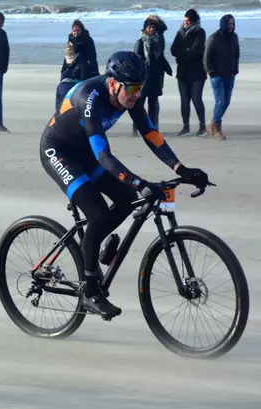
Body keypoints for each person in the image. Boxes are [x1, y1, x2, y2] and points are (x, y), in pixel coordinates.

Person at [39, 51, 210, 317]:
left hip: (85, 152)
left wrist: (181, 168)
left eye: (140, 88)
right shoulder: (90, 98)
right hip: (59, 152)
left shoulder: (130, 97)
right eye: (131, 88)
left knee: (128, 200)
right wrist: (137, 181)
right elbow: (104, 156)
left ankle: (94, 247)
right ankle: (91, 292)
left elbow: (150, 133)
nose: (136, 94)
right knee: (97, 213)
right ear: (112, 84)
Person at [132, 15, 172, 135]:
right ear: (145, 29)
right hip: (143, 78)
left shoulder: (158, 40)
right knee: (140, 103)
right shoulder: (140, 43)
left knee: (153, 103)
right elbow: (136, 60)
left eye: (153, 27)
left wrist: (167, 68)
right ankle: (137, 127)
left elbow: (160, 57)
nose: (151, 29)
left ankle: (154, 127)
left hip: (156, 76)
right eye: (149, 27)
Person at [170, 9, 208, 136]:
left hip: (197, 72)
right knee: (184, 101)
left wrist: (182, 55)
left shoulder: (200, 32)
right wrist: (185, 52)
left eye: (188, 21)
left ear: (193, 21)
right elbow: (173, 49)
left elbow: (196, 50)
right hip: (183, 72)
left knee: (196, 99)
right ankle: (186, 127)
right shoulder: (180, 33)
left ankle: (202, 127)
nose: (185, 23)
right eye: (184, 20)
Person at [204, 14, 240, 140]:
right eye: (229, 24)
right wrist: (211, 71)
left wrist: (235, 69)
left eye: (232, 24)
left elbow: (236, 54)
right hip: (217, 75)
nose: (231, 26)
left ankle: (212, 123)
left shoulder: (234, 37)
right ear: (223, 24)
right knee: (220, 101)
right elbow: (206, 56)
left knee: (226, 102)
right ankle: (217, 128)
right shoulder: (214, 38)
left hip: (230, 75)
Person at [56, 42, 87, 110]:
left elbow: (82, 74)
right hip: (64, 84)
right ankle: (59, 111)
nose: (69, 55)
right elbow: (62, 73)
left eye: (70, 52)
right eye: (68, 53)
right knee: (61, 99)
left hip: (74, 84)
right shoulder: (66, 60)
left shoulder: (79, 60)